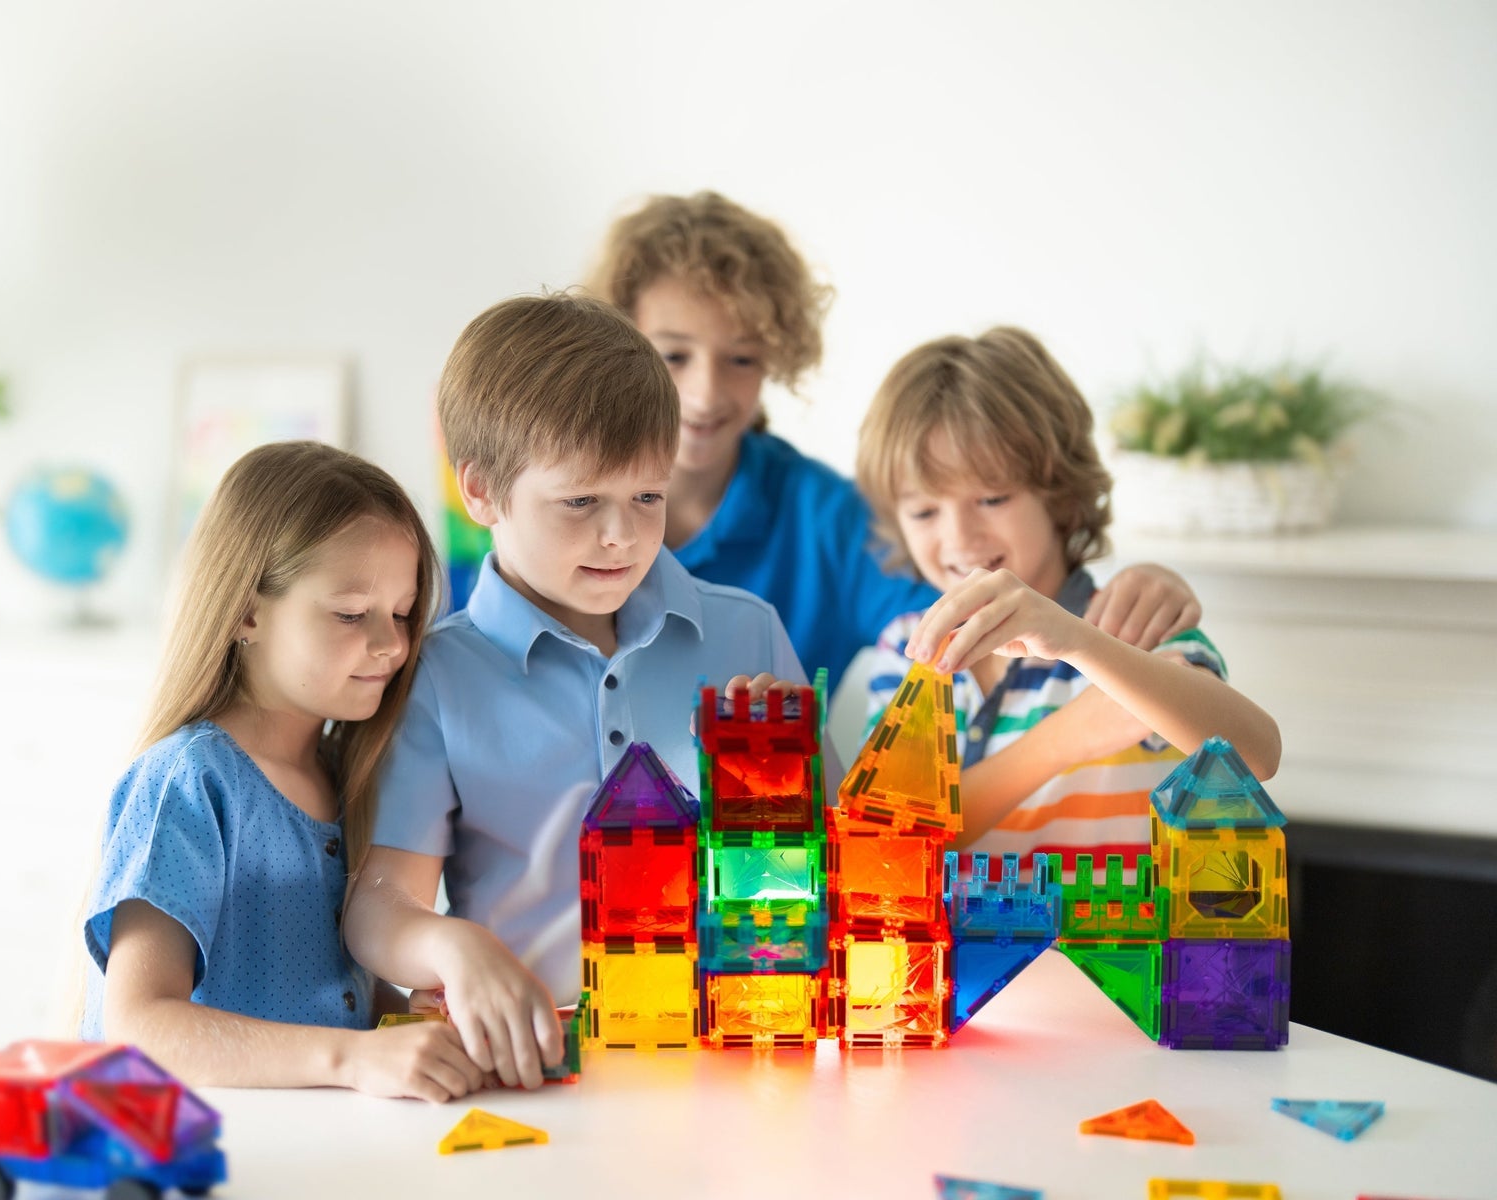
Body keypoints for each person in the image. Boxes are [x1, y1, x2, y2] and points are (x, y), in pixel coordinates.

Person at [343, 292, 804, 1090]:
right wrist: (454, 949)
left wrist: (774, 787)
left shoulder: (749, 633)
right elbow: (381, 906)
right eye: (581, 501)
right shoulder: (435, 676)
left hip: (739, 1060)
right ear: (481, 491)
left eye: (647, 497)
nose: (620, 535)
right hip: (536, 1074)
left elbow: (832, 868)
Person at [587, 190, 1203, 689]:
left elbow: (986, 590)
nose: (703, 394)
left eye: (742, 359)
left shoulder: (828, 519)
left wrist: (1145, 584)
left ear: (778, 356)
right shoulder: (554, 495)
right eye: (673, 355)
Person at [79, 441, 485, 1102]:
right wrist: (356, 1058)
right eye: (350, 614)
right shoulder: (189, 780)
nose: (392, 644)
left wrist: (408, 1025)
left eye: (402, 614)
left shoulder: (346, 775)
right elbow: (139, 1026)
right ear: (247, 612)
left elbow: (324, 1001)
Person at [854, 327, 1281, 869]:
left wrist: (1082, 643)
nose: (959, 536)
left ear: (1058, 494)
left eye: (992, 498)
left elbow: (1258, 755)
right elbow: (884, 847)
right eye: (924, 511)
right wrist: (1066, 737)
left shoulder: (1133, 625)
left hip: (1106, 928)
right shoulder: (904, 648)